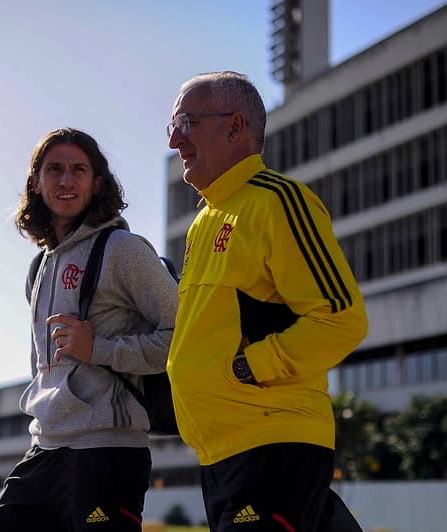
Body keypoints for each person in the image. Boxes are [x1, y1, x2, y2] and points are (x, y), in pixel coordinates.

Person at [165, 71, 369, 531]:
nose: (176, 139)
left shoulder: (278, 201)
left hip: (271, 444)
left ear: (235, 127)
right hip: (223, 454)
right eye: (172, 127)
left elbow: (341, 319)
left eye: (187, 122)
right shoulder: (203, 224)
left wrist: (249, 367)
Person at [0, 127, 178, 532]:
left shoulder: (123, 250)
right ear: (35, 183)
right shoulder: (41, 266)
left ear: (97, 182)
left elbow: (184, 337)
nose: (66, 181)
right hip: (45, 447)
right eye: (54, 170)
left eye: (78, 169)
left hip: (107, 452)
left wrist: (99, 349)